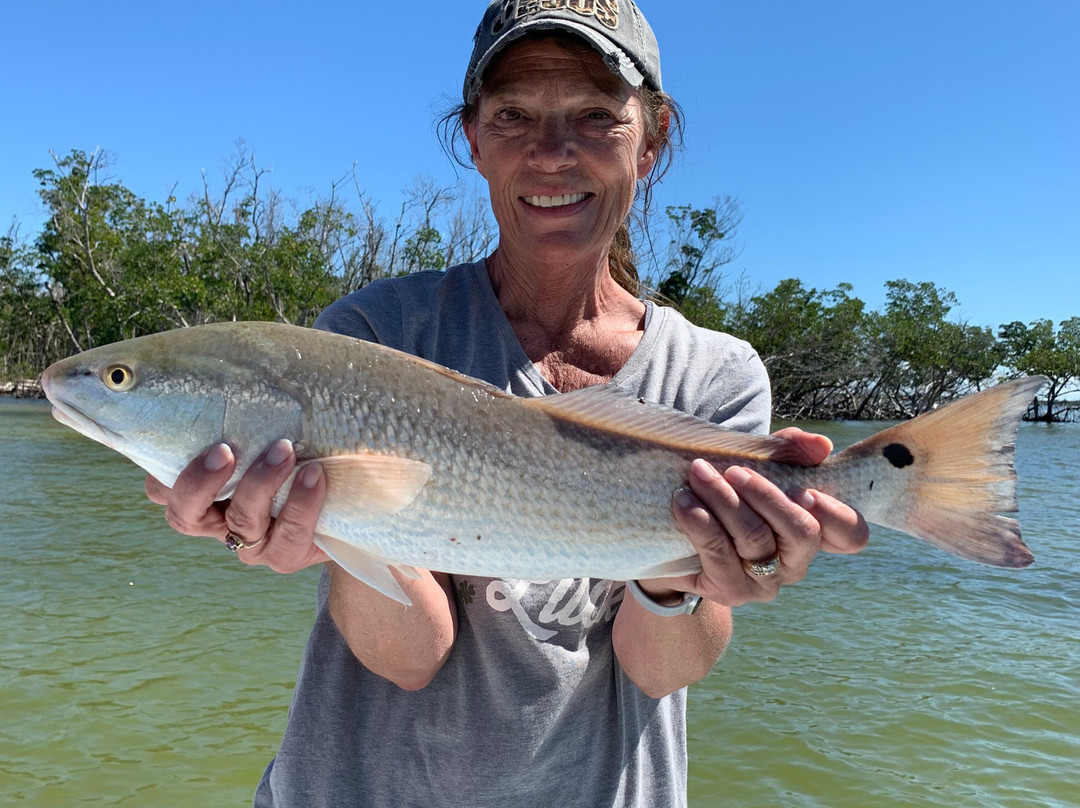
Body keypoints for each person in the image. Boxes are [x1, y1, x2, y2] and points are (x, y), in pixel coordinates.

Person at [146, 2, 868, 805]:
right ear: (474, 141)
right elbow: (411, 652)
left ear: (653, 140)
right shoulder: (374, 336)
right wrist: (318, 530)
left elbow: (658, 667)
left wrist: (685, 579)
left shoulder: (715, 377)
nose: (551, 154)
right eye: (514, 115)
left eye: (595, 116)